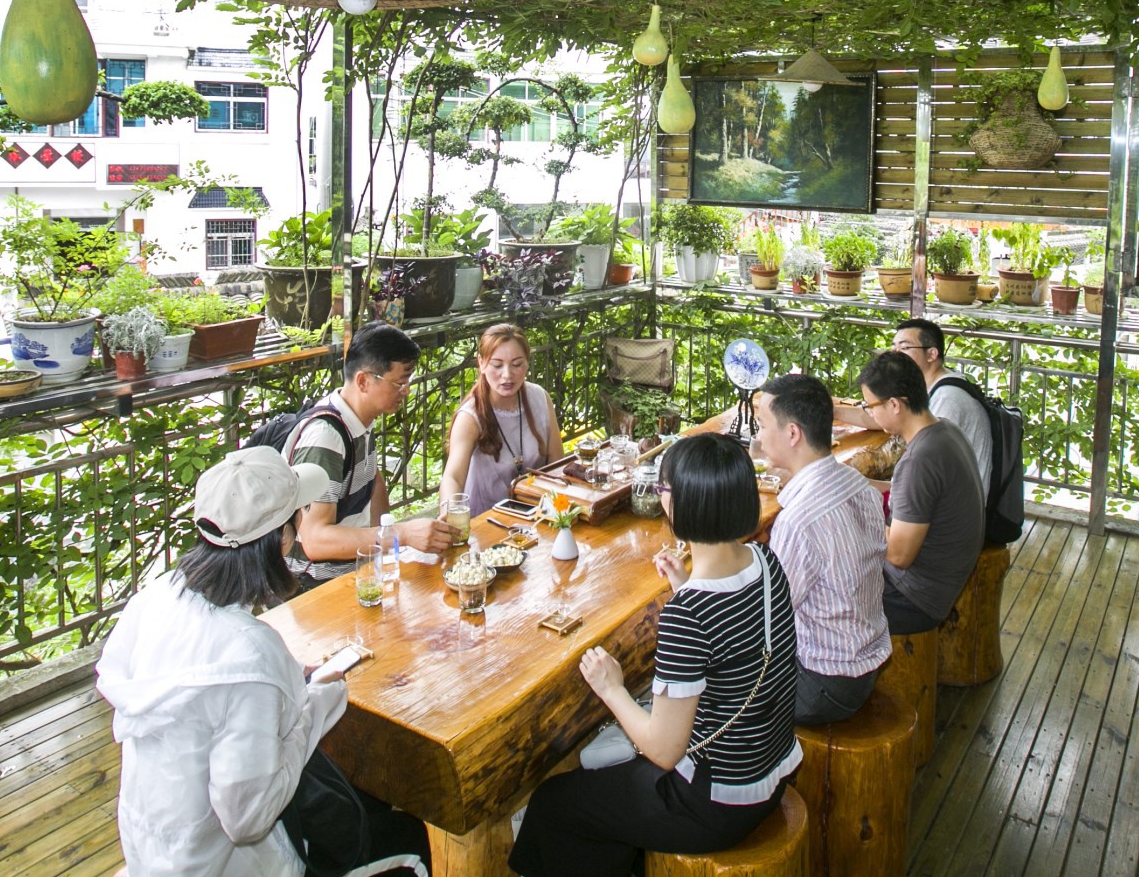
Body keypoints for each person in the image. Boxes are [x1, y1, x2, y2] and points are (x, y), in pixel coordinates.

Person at [96, 446, 431, 876]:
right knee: (411, 835)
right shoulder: (249, 652)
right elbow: (248, 818)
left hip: (154, 850)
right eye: (300, 513)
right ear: (284, 538)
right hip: (237, 865)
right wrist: (311, 709)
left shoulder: (157, 596)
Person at [508, 433, 801, 876]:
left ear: (678, 505)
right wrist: (685, 584)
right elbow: (734, 638)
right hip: (772, 769)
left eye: (664, 490)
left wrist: (613, 689)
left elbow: (664, 751)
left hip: (715, 804)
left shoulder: (689, 614)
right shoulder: (764, 558)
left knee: (553, 803)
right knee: (603, 791)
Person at [755, 372, 889, 725]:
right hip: (866, 659)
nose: (758, 435)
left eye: (762, 425)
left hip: (822, 685)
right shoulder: (857, 483)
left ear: (793, 433)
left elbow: (769, 624)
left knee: (712, 671)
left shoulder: (798, 521)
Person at [285, 322, 453, 589]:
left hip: (356, 573)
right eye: (400, 382)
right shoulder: (326, 437)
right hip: (314, 586)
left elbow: (374, 482)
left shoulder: (358, 419)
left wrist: (388, 553)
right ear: (363, 380)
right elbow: (315, 540)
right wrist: (400, 534)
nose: (406, 390)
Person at [856, 350, 983, 635]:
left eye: (870, 406)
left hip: (914, 599)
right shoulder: (945, 431)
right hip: (943, 579)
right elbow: (913, 497)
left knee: (820, 592)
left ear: (894, 404)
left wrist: (855, 519)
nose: (870, 414)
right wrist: (858, 485)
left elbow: (899, 555)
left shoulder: (920, 460)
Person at [892, 318, 1023, 545]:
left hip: (965, 516)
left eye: (904, 348)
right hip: (958, 498)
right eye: (893, 347)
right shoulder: (934, 386)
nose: (895, 354)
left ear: (932, 354)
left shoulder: (948, 398)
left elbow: (926, 464)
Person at [439, 324, 560, 519]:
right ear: (481, 363)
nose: (507, 375)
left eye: (517, 364)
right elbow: (453, 476)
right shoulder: (470, 417)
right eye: (497, 365)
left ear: (527, 362)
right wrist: (449, 510)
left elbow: (557, 464)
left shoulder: (540, 398)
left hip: (539, 515)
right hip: (487, 520)